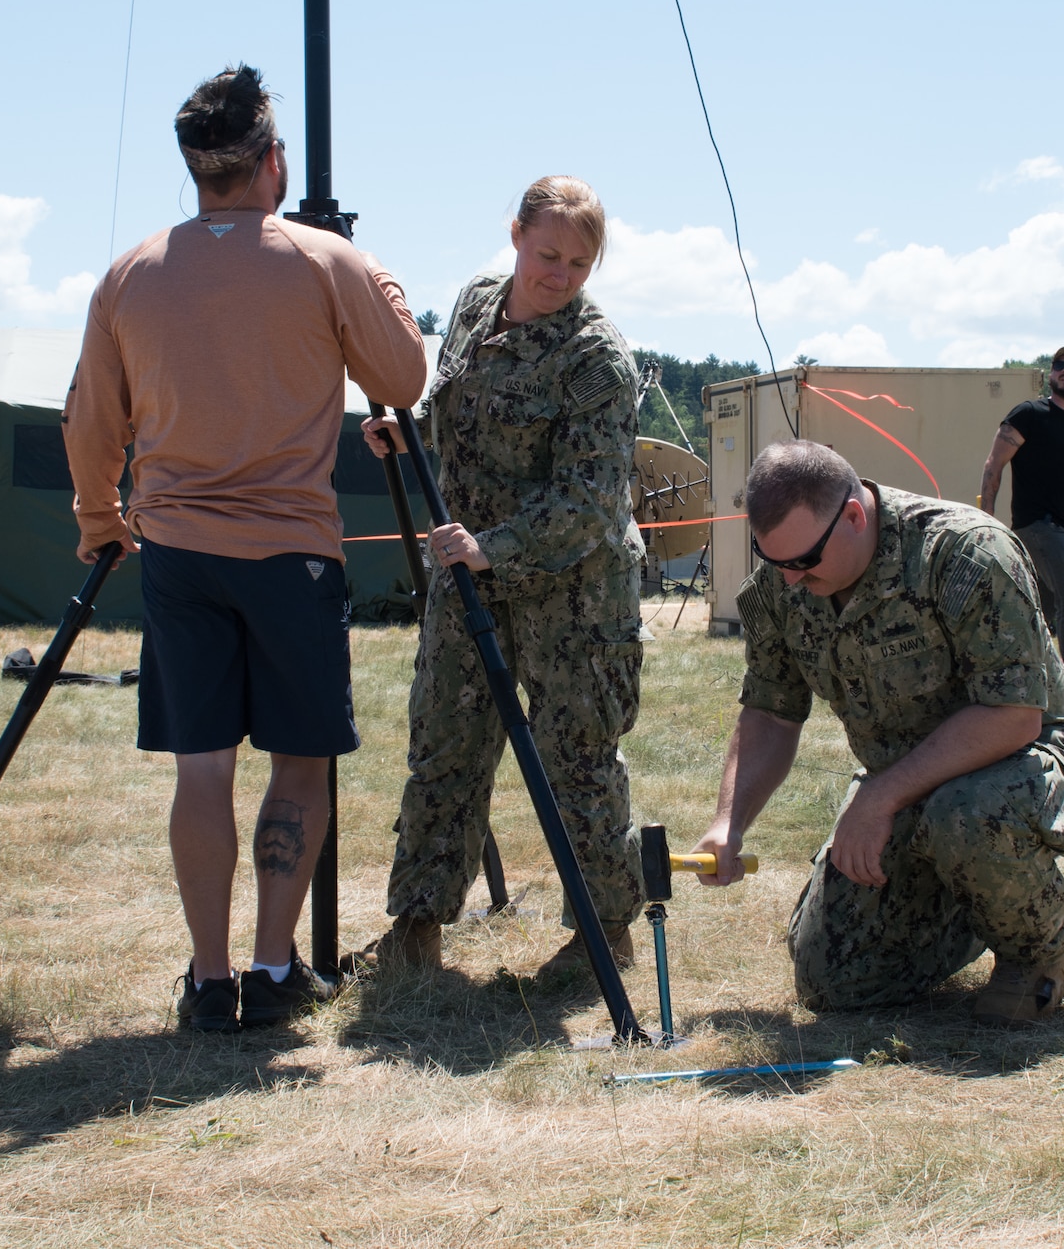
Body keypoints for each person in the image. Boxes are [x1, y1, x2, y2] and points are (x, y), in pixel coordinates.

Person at [64, 65, 428, 1031]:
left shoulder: (131, 273)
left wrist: (103, 521)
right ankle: (275, 969)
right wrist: (366, 262)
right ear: (275, 162)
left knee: (203, 766)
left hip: (179, 552)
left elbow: (89, 418)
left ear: (194, 170)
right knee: (300, 763)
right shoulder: (319, 260)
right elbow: (403, 373)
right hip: (294, 556)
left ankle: (208, 976)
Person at [692, 441, 1064, 1025]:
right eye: (774, 561)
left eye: (804, 562)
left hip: (1031, 758)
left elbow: (1014, 716)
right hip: (902, 782)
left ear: (855, 516)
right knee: (833, 980)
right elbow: (770, 713)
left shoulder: (965, 553)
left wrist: (880, 796)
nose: (790, 581)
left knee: (963, 814)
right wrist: (727, 823)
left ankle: (1035, 954)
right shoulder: (782, 589)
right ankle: (969, 900)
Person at [359, 177, 647, 980]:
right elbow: (461, 409)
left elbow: (590, 502)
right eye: (548, 253)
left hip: (574, 593)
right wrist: (406, 432)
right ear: (515, 233)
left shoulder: (598, 359)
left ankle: (604, 937)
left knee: (577, 759)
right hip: (467, 571)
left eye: (580, 264)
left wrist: (497, 545)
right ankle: (417, 923)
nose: (559, 275)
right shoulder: (475, 304)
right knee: (444, 746)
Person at [979, 346, 1064, 702]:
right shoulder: (1029, 414)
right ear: (1051, 375)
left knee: (1047, 609)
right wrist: (988, 521)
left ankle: (1034, 680)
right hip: (1037, 526)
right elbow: (994, 465)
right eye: (1058, 366)